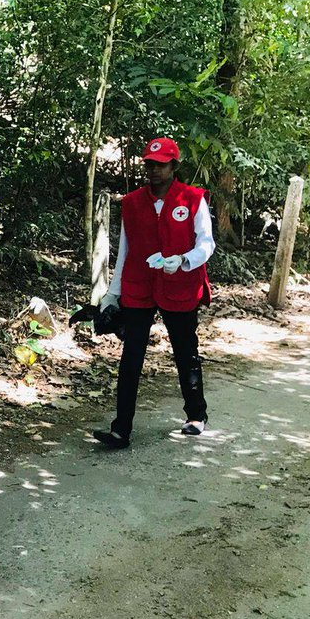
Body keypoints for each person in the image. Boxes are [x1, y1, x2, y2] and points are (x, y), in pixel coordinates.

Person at [93, 136, 215, 449]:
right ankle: (121, 430)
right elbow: (126, 251)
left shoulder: (192, 199)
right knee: (131, 356)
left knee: (184, 350)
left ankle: (196, 415)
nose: (154, 171)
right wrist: (112, 292)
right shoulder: (133, 202)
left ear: (174, 166)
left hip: (180, 285)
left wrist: (184, 260)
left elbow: (206, 243)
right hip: (139, 286)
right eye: (150, 164)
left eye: (161, 165)